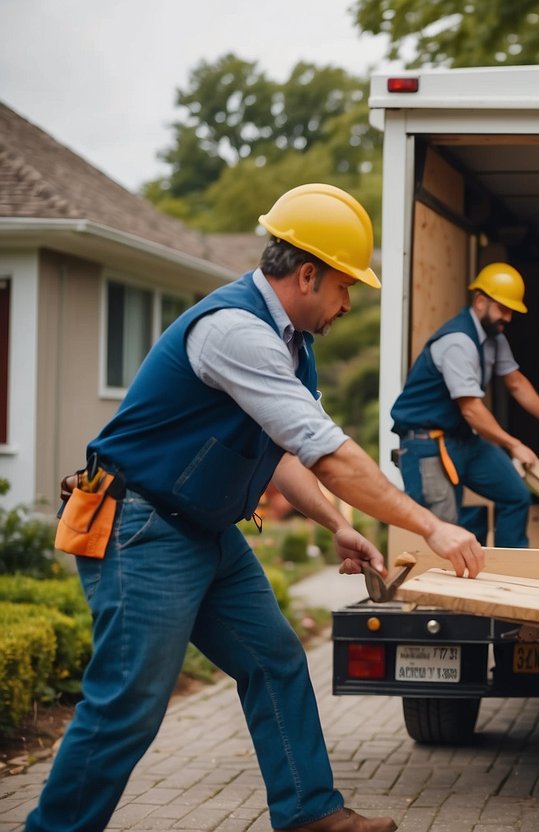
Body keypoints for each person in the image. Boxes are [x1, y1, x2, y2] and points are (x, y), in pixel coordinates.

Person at [27, 184, 485, 832]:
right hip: (143, 528)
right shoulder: (235, 333)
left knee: (274, 659)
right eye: (344, 286)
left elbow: (284, 452)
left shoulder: (292, 344)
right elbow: (329, 454)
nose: (349, 302)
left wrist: (336, 524)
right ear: (306, 274)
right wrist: (431, 524)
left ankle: (308, 812)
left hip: (205, 532)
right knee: (127, 704)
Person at [389, 263, 539, 548]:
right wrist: (512, 444)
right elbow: (471, 409)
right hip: (427, 445)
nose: (507, 318)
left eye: (511, 312)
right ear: (480, 302)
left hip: (462, 440)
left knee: (515, 495)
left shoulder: (495, 339)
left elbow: (516, 382)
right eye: (502, 309)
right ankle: (452, 589)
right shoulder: (458, 341)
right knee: (445, 528)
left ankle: (511, 578)